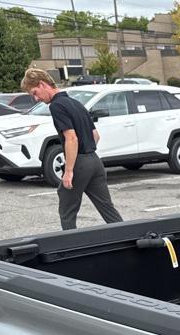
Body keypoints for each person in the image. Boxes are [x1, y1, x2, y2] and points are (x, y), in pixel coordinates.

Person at [20, 68, 123, 230]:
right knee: (107, 208)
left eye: (35, 93)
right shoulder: (76, 103)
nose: (36, 98)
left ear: (42, 84)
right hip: (95, 162)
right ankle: (127, 237)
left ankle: (70, 248)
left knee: (67, 211)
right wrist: (87, 155)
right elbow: (95, 135)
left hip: (79, 163)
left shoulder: (56, 106)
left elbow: (71, 138)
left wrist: (69, 171)